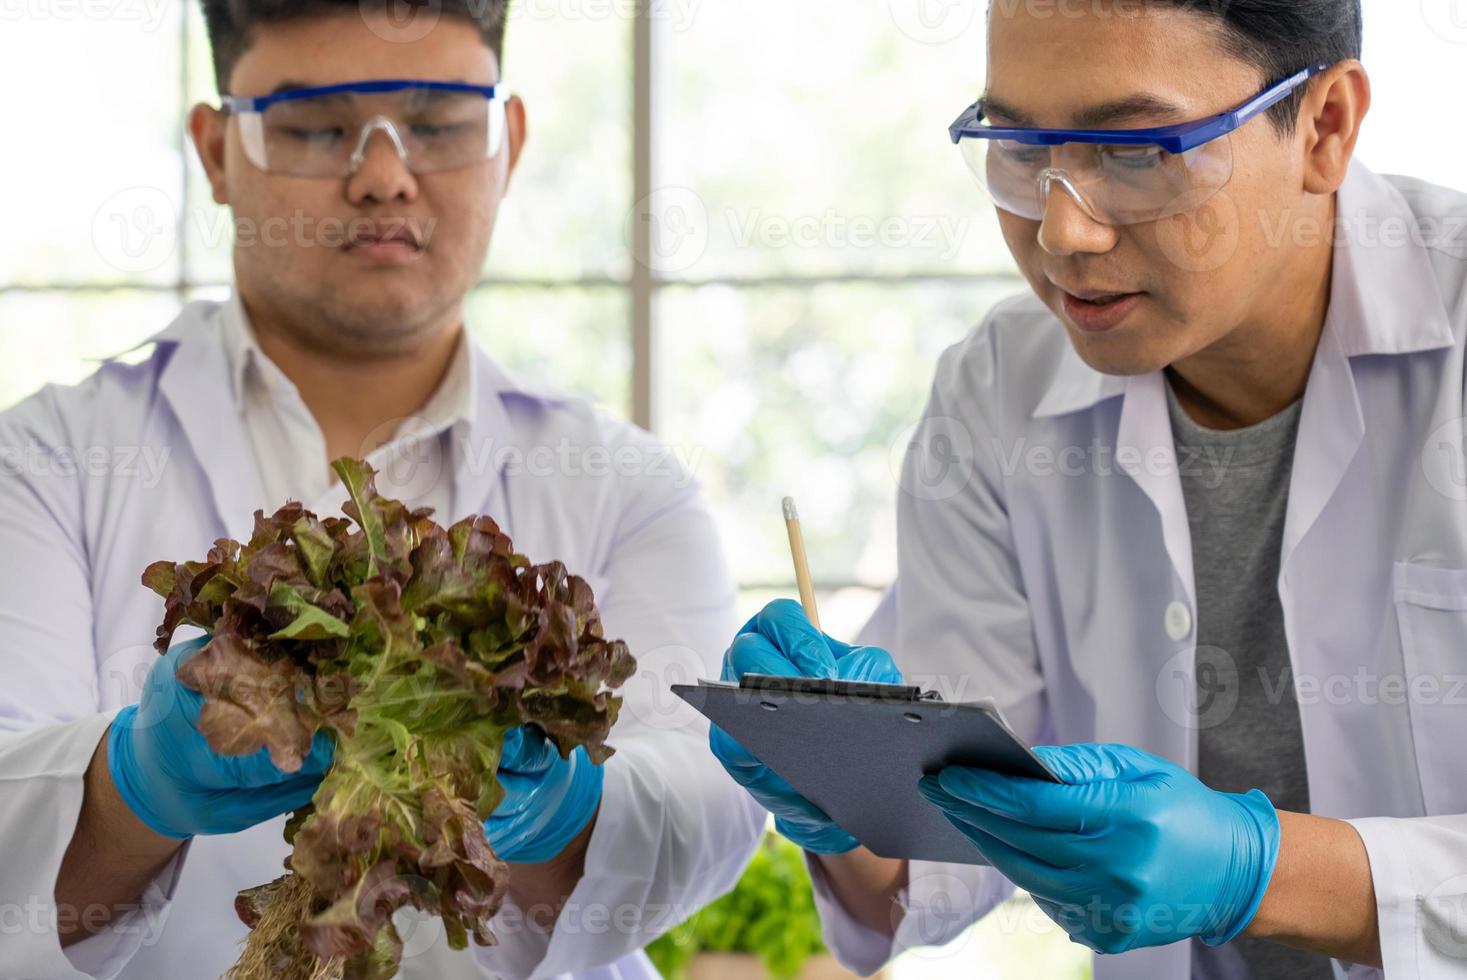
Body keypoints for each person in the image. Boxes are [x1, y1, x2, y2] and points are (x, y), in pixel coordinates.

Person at [0, 3, 763, 978]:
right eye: (317, 125)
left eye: (438, 124)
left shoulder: (628, 486)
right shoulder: (47, 463)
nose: (383, 176)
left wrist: (568, 809)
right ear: (217, 151)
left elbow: (709, 804)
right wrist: (126, 785)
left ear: (509, 141)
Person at [711, 1, 1467, 978]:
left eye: (1140, 151)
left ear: (1323, 125)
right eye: (1019, 145)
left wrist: (1265, 869)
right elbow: (926, 863)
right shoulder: (996, 393)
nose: (1065, 232)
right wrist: (843, 779)